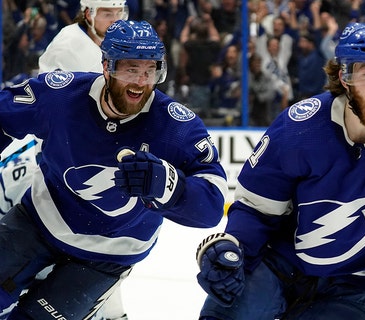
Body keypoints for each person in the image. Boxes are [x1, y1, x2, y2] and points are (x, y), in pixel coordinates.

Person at [195, 22, 365, 320]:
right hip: (279, 261)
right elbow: (257, 208)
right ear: (344, 77)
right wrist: (233, 246)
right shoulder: (299, 128)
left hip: (354, 284)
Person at [0, 20, 227, 320]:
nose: (140, 81)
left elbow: (212, 204)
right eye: (130, 69)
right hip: (40, 220)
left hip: (110, 254)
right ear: (106, 66)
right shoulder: (62, 96)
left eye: (150, 71)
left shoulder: (176, 127)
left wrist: (168, 186)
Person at [2, 2, 132, 319]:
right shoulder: (70, 44)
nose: (115, 19)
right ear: (88, 13)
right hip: (51, 166)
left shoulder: (124, 47)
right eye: (106, 13)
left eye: (120, 12)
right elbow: (56, 108)